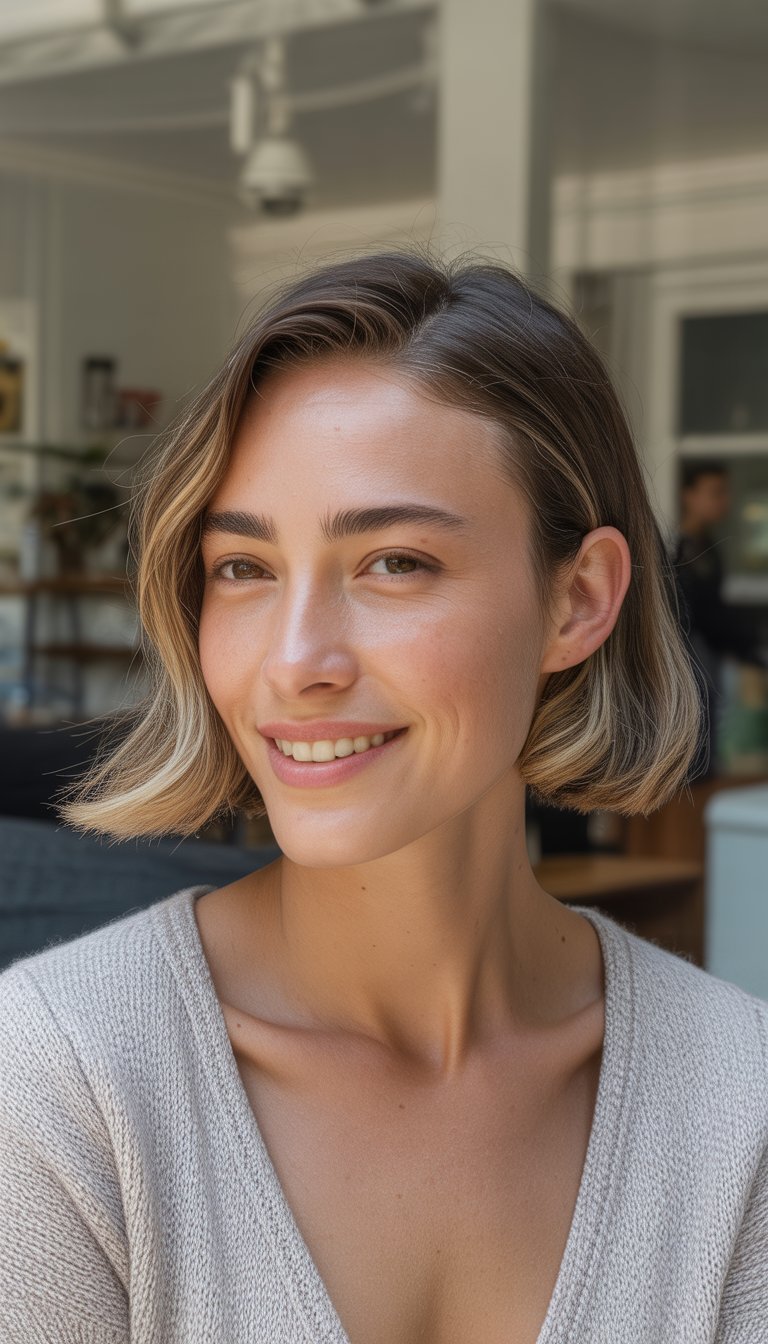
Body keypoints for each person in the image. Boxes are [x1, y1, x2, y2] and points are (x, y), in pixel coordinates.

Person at [1, 251, 766, 1344]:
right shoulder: (65, 1081)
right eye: (244, 570)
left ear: (578, 599)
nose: (297, 659)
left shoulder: (740, 1098)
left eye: (395, 563)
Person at [672, 460, 768, 775]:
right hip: (686, 665)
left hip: (708, 661)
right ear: (689, 495)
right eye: (715, 492)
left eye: (725, 493)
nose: (723, 500)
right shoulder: (677, 550)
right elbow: (696, 615)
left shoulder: (708, 547)